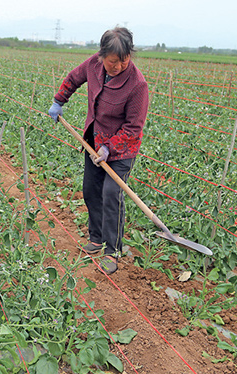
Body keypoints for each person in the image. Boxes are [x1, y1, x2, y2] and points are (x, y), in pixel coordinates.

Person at [48, 27, 149, 275]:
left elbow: (133, 127)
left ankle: (112, 250)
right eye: (113, 61)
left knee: (111, 193)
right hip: (94, 140)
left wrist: (109, 148)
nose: (118, 66)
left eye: (124, 61)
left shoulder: (137, 85)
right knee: (91, 189)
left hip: (122, 148)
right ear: (102, 55)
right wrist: (59, 100)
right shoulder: (93, 65)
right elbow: (73, 78)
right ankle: (96, 238)